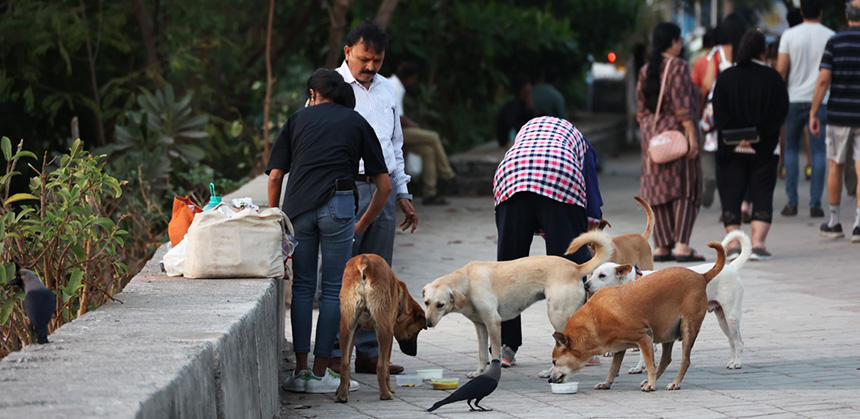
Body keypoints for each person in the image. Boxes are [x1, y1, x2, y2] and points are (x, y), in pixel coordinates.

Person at [267, 69, 392, 392]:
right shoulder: (356, 122)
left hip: (299, 209)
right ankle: (323, 373)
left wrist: (275, 219)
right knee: (336, 289)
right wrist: (360, 224)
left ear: (313, 94)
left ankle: (301, 371)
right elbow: (384, 185)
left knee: (304, 288)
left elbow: (275, 176)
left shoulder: (296, 120)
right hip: (339, 207)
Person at [332, 21, 419, 375]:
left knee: (379, 275)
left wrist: (403, 193)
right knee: (344, 275)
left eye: (377, 61)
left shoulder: (386, 92)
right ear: (348, 52)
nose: (370, 67)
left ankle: (370, 353)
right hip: (344, 187)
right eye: (364, 59)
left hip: (381, 188)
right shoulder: (330, 87)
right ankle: (335, 353)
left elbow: (395, 146)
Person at [492, 116, 602, 367]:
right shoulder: (579, 142)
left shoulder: (523, 137)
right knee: (568, 267)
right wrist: (591, 219)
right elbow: (590, 185)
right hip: (560, 176)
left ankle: (504, 348)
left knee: (509, 267)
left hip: (511, 177)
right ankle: (578, 343)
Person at [713, 30, 789, 260]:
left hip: (730, 146)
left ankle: (734, 244)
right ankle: (757, 243)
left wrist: (736, 134)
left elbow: (718, 111)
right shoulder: (773, 78)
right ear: (762, 51)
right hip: (764, 147)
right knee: (762, 191)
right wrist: (759, 134)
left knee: (731, 191)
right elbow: (780, 112)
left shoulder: (726, 77)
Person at [637, 22, 704, 262]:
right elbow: (683, 106)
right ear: (673, 42)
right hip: (677, 137)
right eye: (679, 40)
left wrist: (649, 132)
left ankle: (662, 246)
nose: (681, 44)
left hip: (652, 138)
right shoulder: (678, 67)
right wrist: (692, 137)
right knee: (685, 189)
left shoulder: (646, 70)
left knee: (658, 190)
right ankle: (683, 246)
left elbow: (640, 110)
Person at [776, 0, 834, 218]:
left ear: (801, 12)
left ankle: (791, 202)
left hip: (793, 99)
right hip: (821, 100)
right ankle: (815, 203)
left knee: (790, 149)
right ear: (820, 12)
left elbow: (781, 70)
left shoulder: (789, 36)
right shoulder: (830, 35)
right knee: (819, 151)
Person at [810, 0, 860, 242]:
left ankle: (834, 221)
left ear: (847, 15)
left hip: (839, 115)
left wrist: (814, 111)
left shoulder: (835, 42)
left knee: (835, 166)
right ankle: (859, 224)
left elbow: (822, 80)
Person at [388, 62, 456, 205]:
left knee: (428, 150)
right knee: (433, 137)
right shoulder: (395, 87)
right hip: (393, 133)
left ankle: (429, 194)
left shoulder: (393, 83)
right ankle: (448, 175)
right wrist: (413, 125)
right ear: (411, 77)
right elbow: (398, 118)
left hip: (396, 132)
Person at [701, 14, 747, 209]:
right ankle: (744, 201)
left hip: (718, 109)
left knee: (718, 155)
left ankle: (720, 190)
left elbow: (708, 83)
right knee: (742, 156)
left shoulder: (717, 53)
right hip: (741, 108)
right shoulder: (745, 50)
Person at [496, 74, 535, 148]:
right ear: (523, 88)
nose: (530, 87)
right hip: (510, 141)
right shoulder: (514, 105)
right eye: (528, 85)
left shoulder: (522, 103)